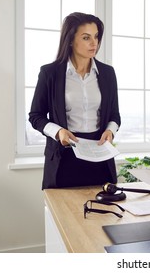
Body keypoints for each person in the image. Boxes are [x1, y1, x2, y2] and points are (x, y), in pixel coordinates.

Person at [29, 12, 121, 189]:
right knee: (63, 214)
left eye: (96, 36)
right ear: (70, 40)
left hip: (100, 157)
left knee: (104, 215)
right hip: (64, 158)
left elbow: (114, 115)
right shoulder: (50, 73)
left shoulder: (108, 73)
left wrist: (110, 131)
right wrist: (58, 132)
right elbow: (36, 116)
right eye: (86, 37)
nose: (94, 43)